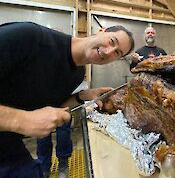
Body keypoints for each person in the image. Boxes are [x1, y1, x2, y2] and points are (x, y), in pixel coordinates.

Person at [0, 21, 134, 178]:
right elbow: (24, 119)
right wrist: (21, 120)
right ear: (100, 31)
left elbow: (55, 106)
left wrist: (82, 96)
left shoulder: (77, 74)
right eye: (112, 41)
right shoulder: (28, 36)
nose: (108, 51)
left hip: (8, 146)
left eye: (117, 53)